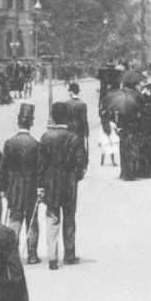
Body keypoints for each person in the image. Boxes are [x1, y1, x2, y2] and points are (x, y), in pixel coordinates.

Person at [39, 101, 89, 269]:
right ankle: (70, 255)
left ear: (53, 117)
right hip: (69, 182)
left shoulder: (46, 137)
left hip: (51, 182)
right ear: (67, 117)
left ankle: (52, 259)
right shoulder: (74, 137)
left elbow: (41, 165)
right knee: (69, 218)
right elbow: (82, 161)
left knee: (52, 219)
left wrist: (41, 185)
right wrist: (77, 175)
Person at [2, 103, 40, 263]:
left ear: (18, 122)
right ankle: (31, 255)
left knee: (15, 218)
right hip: (30, 185)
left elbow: (3, 168)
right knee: (32, 220)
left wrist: (5, 188)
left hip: (14, 186)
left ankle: (13, 255)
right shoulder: (35, 144)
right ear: (31, 122)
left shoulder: (9, 143)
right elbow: (39, 169)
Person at [65, 82, 91, 154]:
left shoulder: (67, 103)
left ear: (72, 92)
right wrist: (86, 132)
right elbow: (85, 120)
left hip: (69, 130)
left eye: (69, 91)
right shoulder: (82, 104)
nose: (69, 93)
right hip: (80, 131)